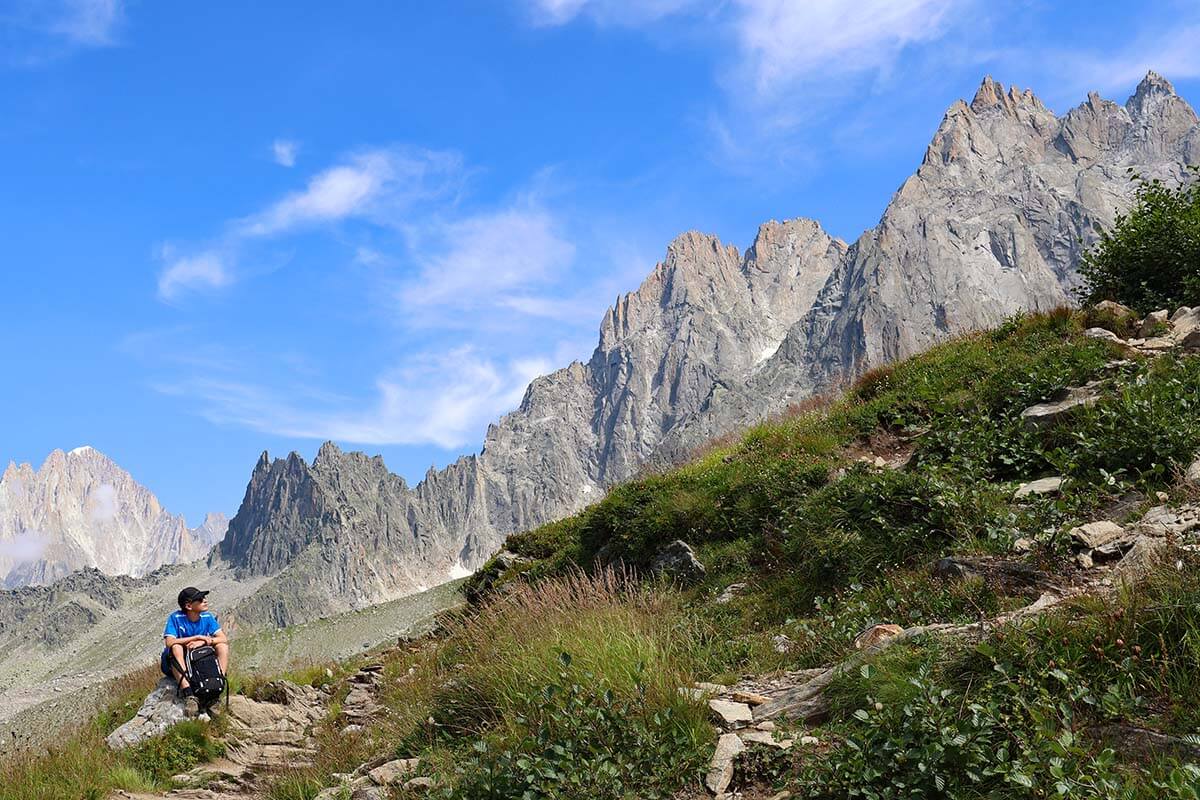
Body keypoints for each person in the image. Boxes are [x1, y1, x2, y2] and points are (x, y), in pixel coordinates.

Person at [161, 587, 229, 700]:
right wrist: (197, 637)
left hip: (198, 661)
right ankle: (188, 693)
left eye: (204, 598)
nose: (205, 601)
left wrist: (203, 641)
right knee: (176, 647)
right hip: (175, 663)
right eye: (200, 600)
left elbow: (223, 639)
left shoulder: (207, 617)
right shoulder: (176, 618)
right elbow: (169, 642)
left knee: (222, 646)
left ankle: (217, 684)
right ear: (188, 606)